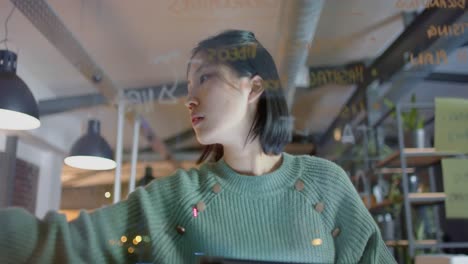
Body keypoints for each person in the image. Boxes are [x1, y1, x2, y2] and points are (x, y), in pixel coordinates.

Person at [0, 30, 396, 264]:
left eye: (205, 78)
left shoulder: (326, 188)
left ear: (254, 86)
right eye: (189, 88)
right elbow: (64, 245)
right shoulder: (178, 199)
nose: (190, 100)